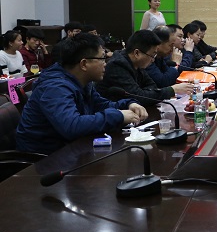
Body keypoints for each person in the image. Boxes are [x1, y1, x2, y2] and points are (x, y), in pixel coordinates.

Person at [15, 33, 148, 155]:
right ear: (84, 64)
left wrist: (128, 104)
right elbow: (71, 126)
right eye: (102, 58)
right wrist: (118, 116)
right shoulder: (55, 87)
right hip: (43, 159)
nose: (105, 64)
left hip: (69, 149)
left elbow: (101, 105)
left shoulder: (82, 81)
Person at [96, 30, 193, 106]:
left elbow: (152, 86)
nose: (153, 60)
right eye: (152, 55)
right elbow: (138, 97)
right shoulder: (117, 65)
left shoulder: (137, 63)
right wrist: (172, 90)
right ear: (137, 53)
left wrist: (145, 93)